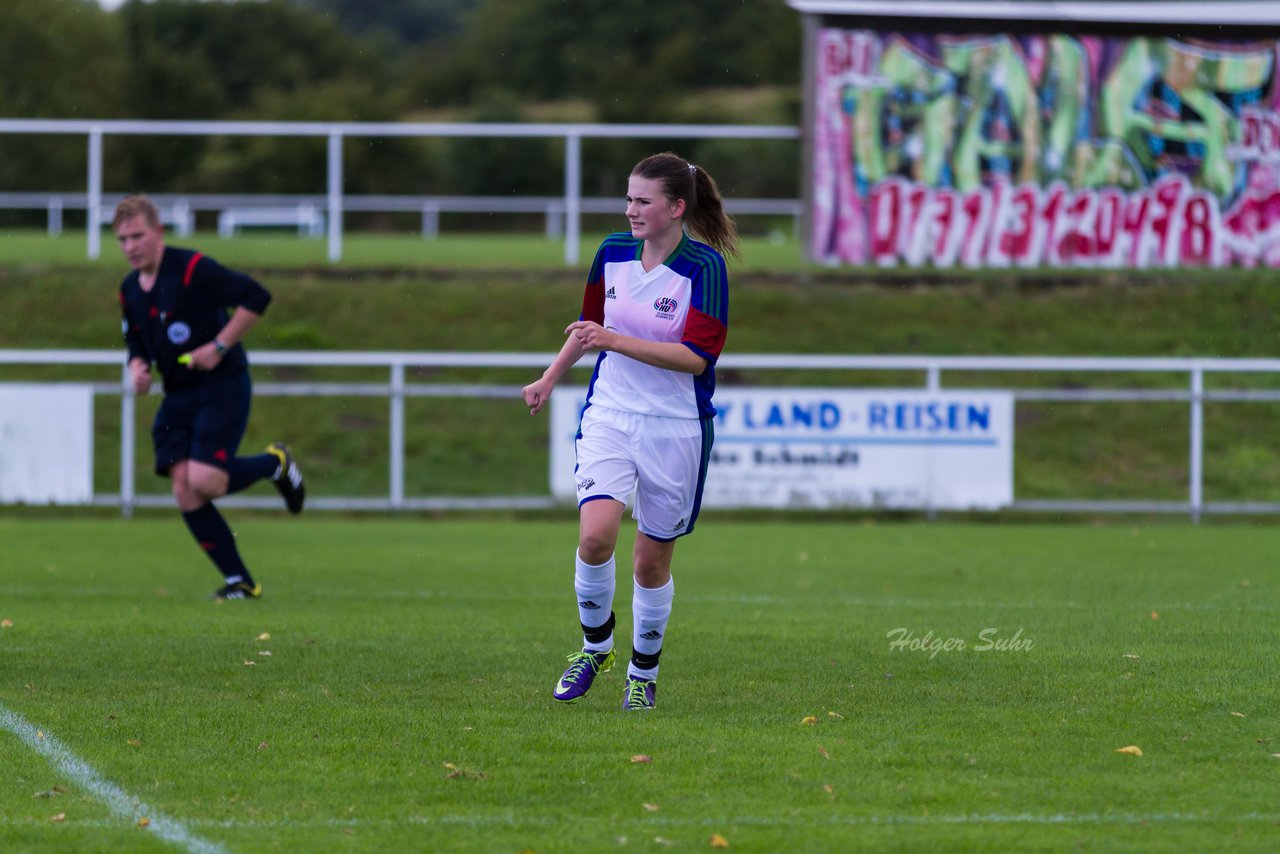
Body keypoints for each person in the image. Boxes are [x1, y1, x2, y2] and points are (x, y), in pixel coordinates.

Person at [523, 152, 738, 711]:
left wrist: (613, 340)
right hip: (610, 414)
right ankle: (595, 648)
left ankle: (643, 673)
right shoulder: (612, 252)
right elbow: (588, 328)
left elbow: (696, 359)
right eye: (628, 198)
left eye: (643, 201)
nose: (631, 210)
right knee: (595, 536)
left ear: (676, 207)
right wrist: (549, 377)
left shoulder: (705, 268)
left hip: (676, 428)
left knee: (649, 562)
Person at [114, 194, 305, 601]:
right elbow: (134, 337)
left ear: (158, 233)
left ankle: (276, 464)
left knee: (205, 481)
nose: (130, 246)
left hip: (223, 384)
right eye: (122, 239)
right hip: (179, 394)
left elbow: (257, 297)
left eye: (137, 236)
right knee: (183, 489)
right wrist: (137, 366)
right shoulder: (129, 290)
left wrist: (218, 346)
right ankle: (240, 581)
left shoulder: (192, 269)